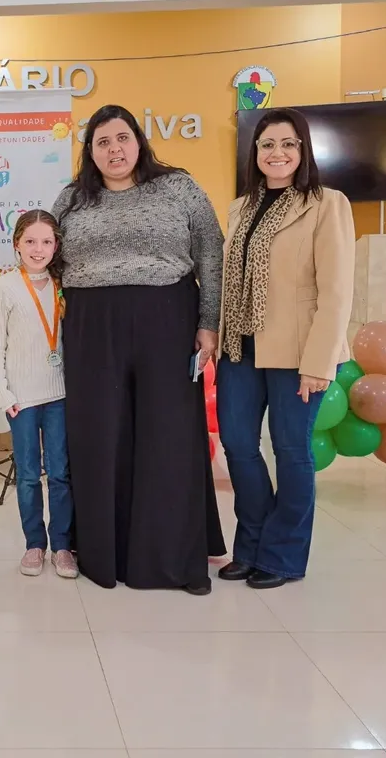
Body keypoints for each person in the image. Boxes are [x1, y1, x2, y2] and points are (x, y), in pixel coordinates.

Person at [52, 103, 226, 595]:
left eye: (122, 138)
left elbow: (211, 251)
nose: (115, 150)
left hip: (167, 319)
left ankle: (171, 559)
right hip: (91, 327)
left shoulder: (178, 187)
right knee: (100, 436)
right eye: (103, 142)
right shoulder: (72, 199)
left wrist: (208, 323)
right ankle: (103, 554)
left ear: (139, 141)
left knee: (167, 436)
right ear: (90, 151)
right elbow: (46, 256)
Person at [215, 108, 355, 589]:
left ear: (303, 150)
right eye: (268, 144)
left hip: (298, 352)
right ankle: (250, 546)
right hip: (239, 348)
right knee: (237, 445)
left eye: (288, 144)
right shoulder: (240, 207)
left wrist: (319, 362)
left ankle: (282, 556)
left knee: (291, 451)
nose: (277, 153)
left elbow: (335, 291)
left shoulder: (326, 203)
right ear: (255, 153)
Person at [0, 210, 76, 579]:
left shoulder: (65, 283)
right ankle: (34, 544)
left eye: (47, 241)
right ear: (17, 244)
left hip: (59, 395)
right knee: (26, 475)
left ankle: (62, 546)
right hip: (21, 398)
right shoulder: (5, 286)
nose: (39, 249)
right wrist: (1, 392)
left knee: (60, 473)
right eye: (31, 241)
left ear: (56, 246)